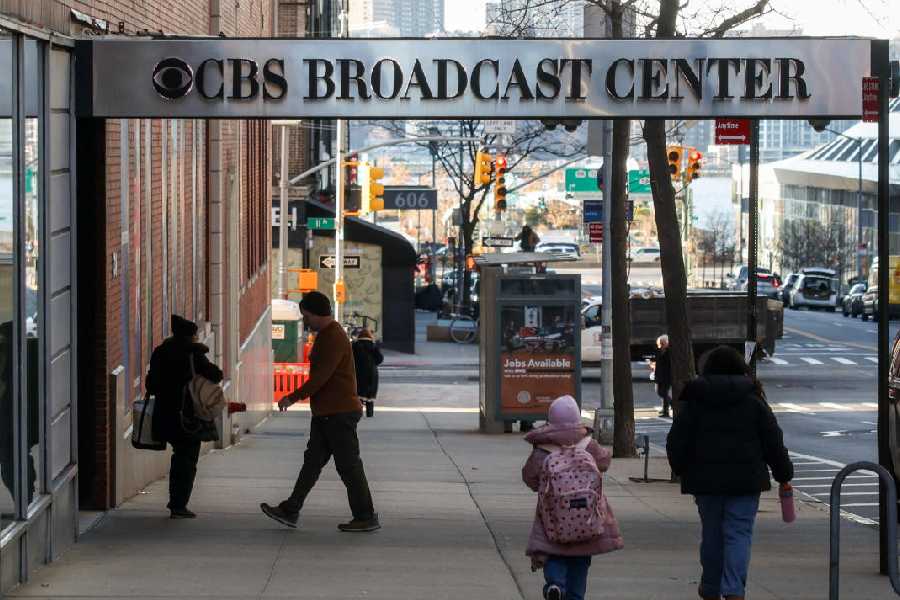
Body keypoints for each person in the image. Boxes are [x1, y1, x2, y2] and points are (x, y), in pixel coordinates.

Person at [666, 346, 793, 600]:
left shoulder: (695, 400)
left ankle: (711, 586)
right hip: (745, 481)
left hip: (705, 481)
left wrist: (680, 468)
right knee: (738, 534)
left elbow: (676, 440)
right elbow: (772, 441)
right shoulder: (754, 400)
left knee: (712, 533)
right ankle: (734, 589)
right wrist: (783, 474)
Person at [261, 291, 379, 532]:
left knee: (348, 465)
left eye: (306, 316)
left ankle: (366, 515)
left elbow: (321, 377)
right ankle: (290, 509)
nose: (305, 321)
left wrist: (292, 397)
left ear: (316, 314)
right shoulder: (327, 335)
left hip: (339, 413)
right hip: (327, 413)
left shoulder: (333, 337)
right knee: (312, 463)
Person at [522, 395, 623, 600]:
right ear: (577, 419)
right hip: (586, 519)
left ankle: (555, 584)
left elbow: (529, 477)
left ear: (550, 420)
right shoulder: (588, 444)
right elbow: (604, 462)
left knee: (553, 552)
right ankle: (575, 595)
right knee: (580, 562)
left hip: (553, 516)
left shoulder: (543, 450)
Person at [145, 315, 224, 519]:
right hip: (187, 416)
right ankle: (178, 504)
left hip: (164, 414)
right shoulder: (193, 354)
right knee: (186, 459)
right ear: (192, 336)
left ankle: (176, 503)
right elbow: (216, 375)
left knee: (179, 456)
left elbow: (150, 385)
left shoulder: (160, 352)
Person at [352, 329, 383, 415]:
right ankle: (370, 412)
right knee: (370, 394)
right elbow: (380, 359)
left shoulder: (355, 345)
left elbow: (350, 358)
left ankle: (358, 412)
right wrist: (373, 363)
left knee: (359, 392)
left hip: (359, 372)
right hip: (371, 372)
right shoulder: (373, 346)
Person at [652, 334, 672, 418]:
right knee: (659, 391)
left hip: (667, 376)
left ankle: (666, 410)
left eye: (663, 343)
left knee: (663, 392)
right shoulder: (658, 351)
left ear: (666, 343)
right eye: (660, 343)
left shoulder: (669, 352)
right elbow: (656, 362)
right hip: (659, 375)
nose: (661, 345)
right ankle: (669, 406)